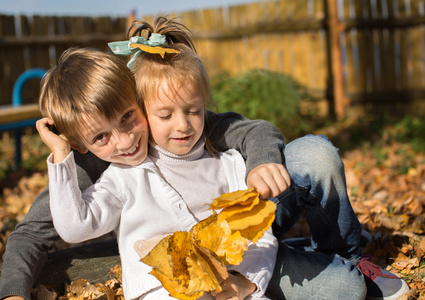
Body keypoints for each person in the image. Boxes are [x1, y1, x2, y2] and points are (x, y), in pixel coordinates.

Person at [0, 16, 409, 300]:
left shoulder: (186, 122)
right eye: (103, 135)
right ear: (82, 143)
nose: (124, 138)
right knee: (344, 291)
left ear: (136, 100)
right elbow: (37, 232)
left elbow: (254, 130)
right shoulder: (98, 165)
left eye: (129, 116)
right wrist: (13, 292)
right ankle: (308, 256)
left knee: (316, 156)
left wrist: (261, 162)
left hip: (250, 233)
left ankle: (349, 254)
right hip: (189, 274)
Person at [35, 24, 279, 300]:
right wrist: (60, 154)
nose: (125, 141)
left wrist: (248, 281)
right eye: (164, 116)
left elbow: (260, 234)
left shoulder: (228, 165)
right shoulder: (122, 179)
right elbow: (74, 227)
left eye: (127, 117)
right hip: (160, 290)